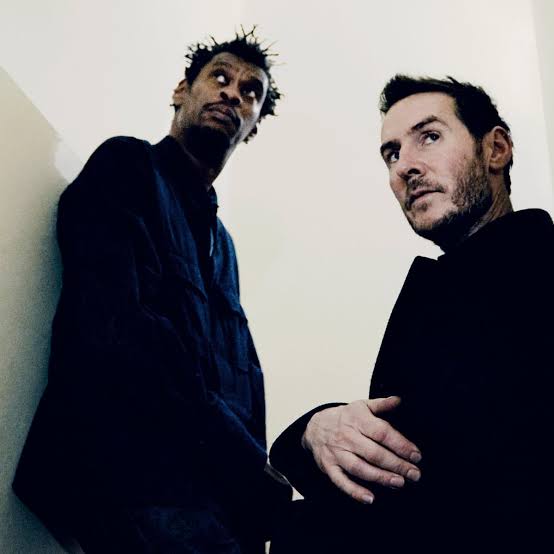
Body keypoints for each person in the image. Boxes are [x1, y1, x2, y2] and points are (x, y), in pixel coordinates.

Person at [13, 29, 291, 554]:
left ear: (253, 126)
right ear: (181, 90)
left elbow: (241, 380)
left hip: (208, 504)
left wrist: (255, 489)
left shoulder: (225, 250)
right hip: (126, 478)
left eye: (250, 92)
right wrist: (246, 461)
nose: (233, 93)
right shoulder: (126, 165)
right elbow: (114, 327)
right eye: (220, 77)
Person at [270, 75, 553, 552]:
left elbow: (435, 480)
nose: (405, 166)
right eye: (392, 153)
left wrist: (304, 439)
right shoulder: (446, 289)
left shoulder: (533, 276)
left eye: (430, 136)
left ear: (496, 149)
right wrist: (313, 430)